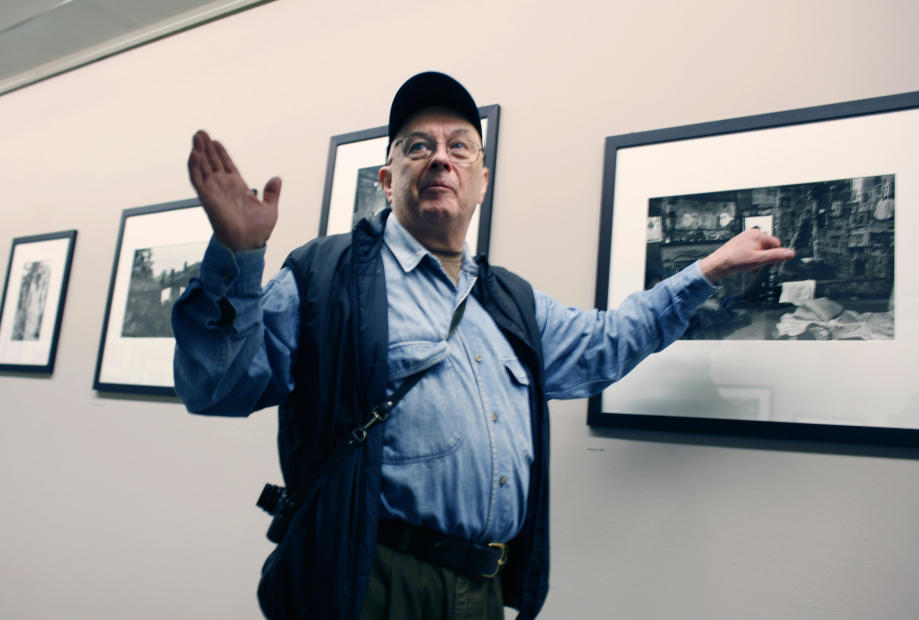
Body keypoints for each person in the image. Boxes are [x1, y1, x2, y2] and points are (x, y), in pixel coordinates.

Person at [172, 71, 794, 620]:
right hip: (372, 580)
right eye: (419, 147)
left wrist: (706, 272)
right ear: (388, 180)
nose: (440, 159)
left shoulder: (510, 302)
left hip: (483, 588)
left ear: (481, 180)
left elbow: (606, 342)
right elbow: (220, 386)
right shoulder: (324, 276)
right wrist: (238, 256)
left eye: (459, 148)